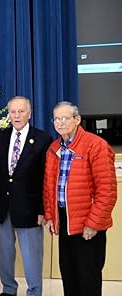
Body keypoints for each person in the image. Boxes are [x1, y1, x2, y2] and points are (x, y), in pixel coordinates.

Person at [43, 101, 117, 296]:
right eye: (56, 119)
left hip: (87, 224)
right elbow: (49, 187)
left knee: (88, 280)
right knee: (69, 277)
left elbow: (107, 190)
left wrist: (93, 223)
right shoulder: (53, 148)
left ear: (77, 119)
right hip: (64, 221)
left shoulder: (95, 145)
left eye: (65, 118)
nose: (60, 123)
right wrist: (50, 215)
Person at [0, 96, 51, 296]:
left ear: (29, 113)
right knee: (6, 254)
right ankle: (9, 289)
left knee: (32, 257)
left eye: (21, 111)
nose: (16, 115)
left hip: (30, 210)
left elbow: (45, 178)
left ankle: (34, 291)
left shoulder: (42, 139)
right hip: (3, 207)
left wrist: (42, 209)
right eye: (13, 111)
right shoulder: (1, 137)